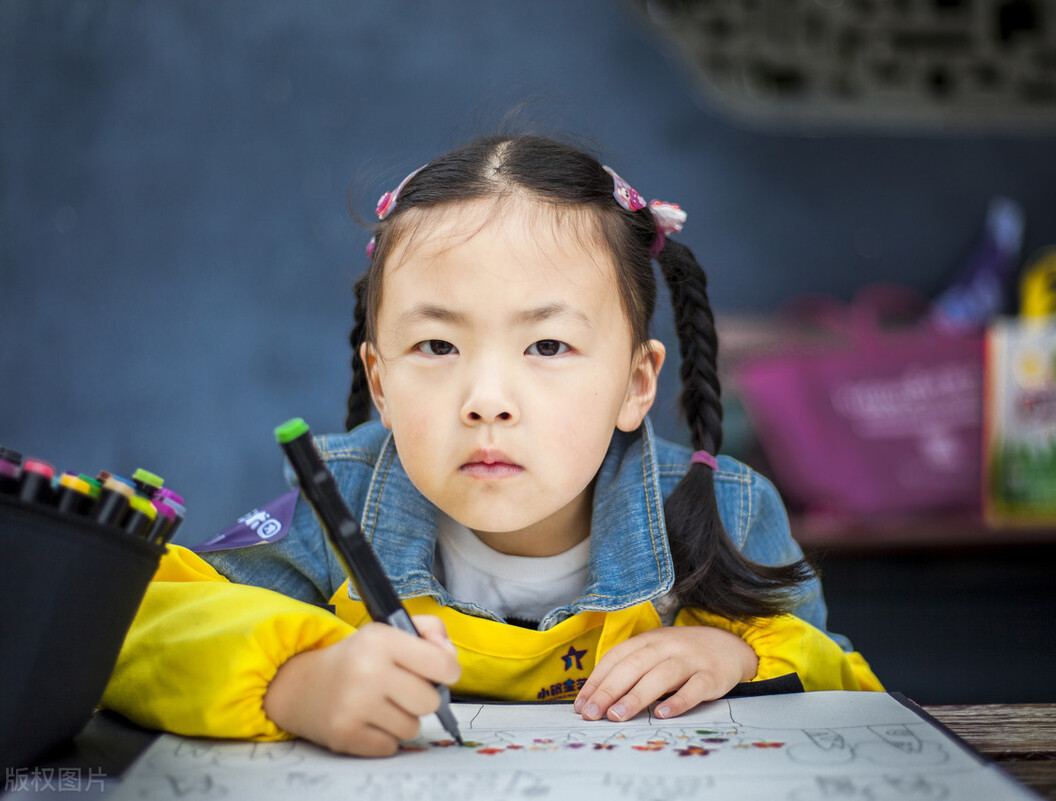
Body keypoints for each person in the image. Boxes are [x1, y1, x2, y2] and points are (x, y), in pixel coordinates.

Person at [102, 134, 882, 758]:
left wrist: (741, 659)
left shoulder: (730, 514)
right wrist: (295, 680)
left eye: (546, 346)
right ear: (379, 380)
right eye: (437, 347)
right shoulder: (333, 512)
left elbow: (848, 685)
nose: (486, 401)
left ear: (636, 385)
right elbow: (129, 621)